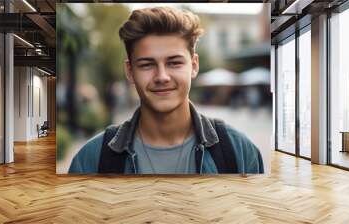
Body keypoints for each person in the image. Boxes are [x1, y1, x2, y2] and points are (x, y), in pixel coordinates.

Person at [68, 6, 263, 174]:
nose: (162, 76)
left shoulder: (239, 152)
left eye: (174, 62)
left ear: (194, 65)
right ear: (130, 71)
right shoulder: (91, 160)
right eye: (146, 64)